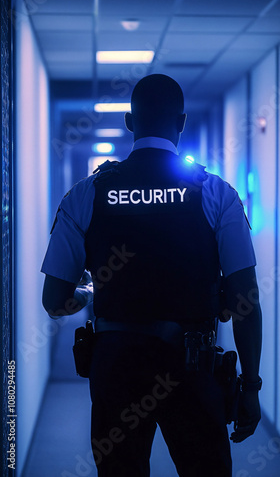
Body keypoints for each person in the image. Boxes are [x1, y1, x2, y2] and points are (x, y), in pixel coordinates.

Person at [41, 74, 262, 477]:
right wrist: (250, 386)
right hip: (193, 368)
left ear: (129, 121)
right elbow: (246, 299)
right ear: (181, 121)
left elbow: (54, 301)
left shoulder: (87, 194)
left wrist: (91, 291)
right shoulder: (217, 193)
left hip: (115, 368)